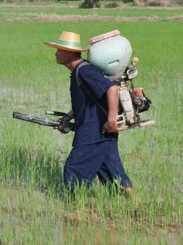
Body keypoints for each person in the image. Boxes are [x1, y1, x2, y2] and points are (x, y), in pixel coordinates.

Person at [44, 31, 134, 197]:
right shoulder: (79, 72)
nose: (55, 53)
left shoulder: (84, 71)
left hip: (94, 133)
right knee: (112, 172)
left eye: (59, 50)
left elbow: (112, 89)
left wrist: (111, 119)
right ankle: (130, 201)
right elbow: (86, 102)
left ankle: (75, 208)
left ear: (70, 53)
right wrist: (67, 118)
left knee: (74, 169)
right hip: (101, 132)